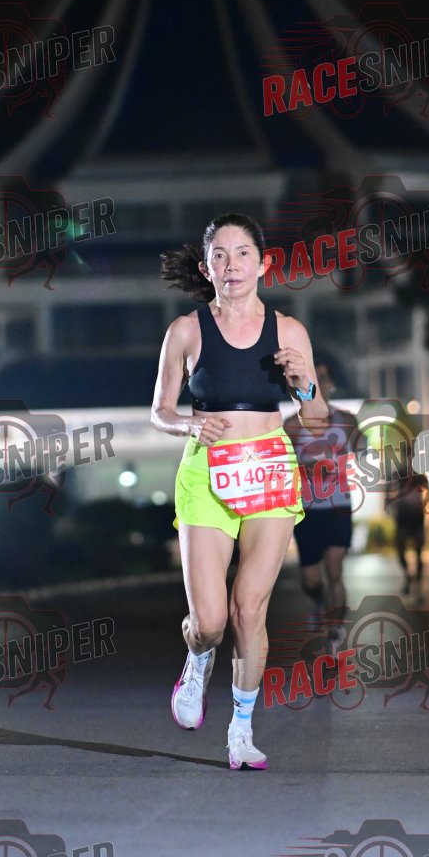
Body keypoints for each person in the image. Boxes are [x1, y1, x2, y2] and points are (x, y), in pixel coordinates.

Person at [151, 214, 327, 769]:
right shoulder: (186, 330)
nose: (232, 265)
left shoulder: (290, 332)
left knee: (249, 608)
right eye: (220, 256)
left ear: (263, 263)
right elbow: (160, 410)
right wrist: (188, 425)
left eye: (243, 253)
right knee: (209, 621)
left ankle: (242, 730)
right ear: (207, 269)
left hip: (269, 471)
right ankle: (197, 660)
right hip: (207, 473)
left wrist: (305, 386)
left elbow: (317, 420)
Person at [283, 363, 358, 627]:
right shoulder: (292, 425)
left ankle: (336, 632)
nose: (318, 383)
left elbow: (363, 453)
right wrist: (308, 467)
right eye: (312, 377)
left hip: (339, 506)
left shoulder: (346, 421)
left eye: (323, 378)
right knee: (311, 580)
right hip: (306, 510)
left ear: (331, 384)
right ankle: (317, 599)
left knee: (335, 571)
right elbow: (282, 466)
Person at [389, 472, 429, 594]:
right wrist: (393, 505)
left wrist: (424, 504)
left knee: (419, 552)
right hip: (403, 517)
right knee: (400, 551)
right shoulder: (399, 473)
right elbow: (390, 489)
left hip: (416, 517)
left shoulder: (420, 476)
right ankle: (408, 575)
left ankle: (418, 583)